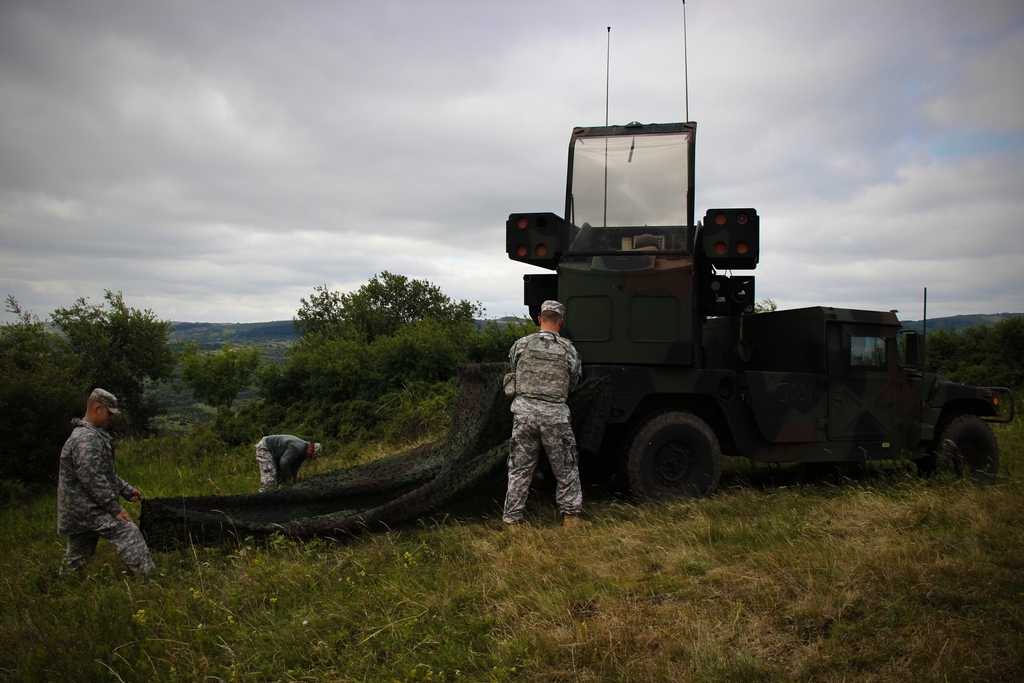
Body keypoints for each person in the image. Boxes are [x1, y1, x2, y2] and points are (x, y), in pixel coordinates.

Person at [503, 300, 592, 529]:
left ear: (540, 319)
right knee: (566, 466)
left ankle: (513, 521)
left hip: (524, 415)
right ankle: (570, 518)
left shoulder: (521, 345)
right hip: (555, 417)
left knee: (520, 468)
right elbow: (572, 383)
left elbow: (515, 371)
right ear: (560, 322)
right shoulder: (568, 350)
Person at [57, 388, 156, 576]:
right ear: (96, 408)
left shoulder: (91, 436)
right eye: (109, 413)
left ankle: (63, 584)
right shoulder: (85, 439)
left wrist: (125, 489)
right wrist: (115, 508)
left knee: (78, 553)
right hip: (88, 509)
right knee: (128, 532)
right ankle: (149, 578)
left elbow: (104, 473)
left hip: (78, 510)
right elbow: (92, 478)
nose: (111, 417)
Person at [254, 435, 323, 492]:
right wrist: (289, 476)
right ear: (310, 450)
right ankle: (261, 498)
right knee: (270, 477)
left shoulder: (302, 453)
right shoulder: (298, 448)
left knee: (280, 479)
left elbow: (294, 470)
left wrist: (294, 485)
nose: (309, 458)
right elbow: (284, 462)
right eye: (311, 456)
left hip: (276, 454)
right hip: (266, 448)